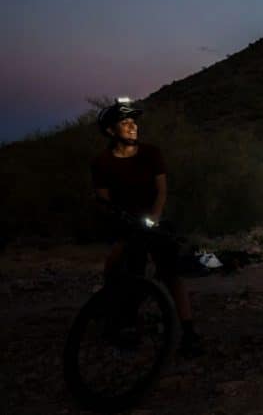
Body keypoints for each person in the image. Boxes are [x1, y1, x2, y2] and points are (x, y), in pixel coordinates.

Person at [91, 99, 204, 358]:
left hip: (154, 221)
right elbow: (103, 199)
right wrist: (117, 219)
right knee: (123, 269)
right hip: (126, 224)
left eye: (134, 122)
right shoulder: (102, 162)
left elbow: (161, 190)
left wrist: (154, 217)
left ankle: (189, 331)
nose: (132, 126)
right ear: (110, 130)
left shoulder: (151, 153)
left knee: (171, 272)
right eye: (125, 122)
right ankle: (122, 321)